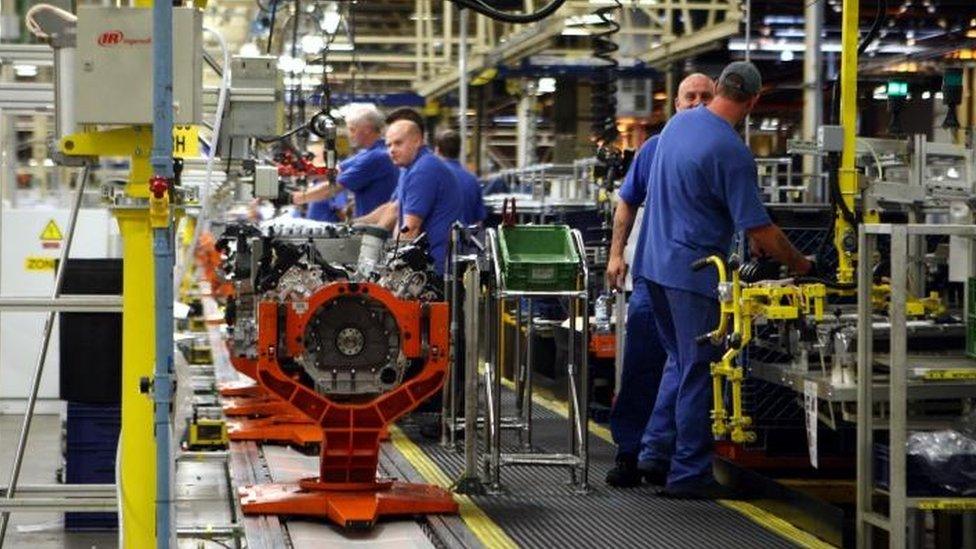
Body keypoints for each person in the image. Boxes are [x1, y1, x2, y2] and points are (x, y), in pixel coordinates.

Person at [635, 62, 812, 499]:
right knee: (699, 370)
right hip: (692, 274)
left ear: (716, 89)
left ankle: (654, 453)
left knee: (678, 362)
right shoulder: (732, 151)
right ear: (753, 101)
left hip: (652, 267)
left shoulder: (677, 125)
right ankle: (688, 474)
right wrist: (799, 263)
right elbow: (761, 231)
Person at [604, 73, 715, 488]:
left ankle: (663, 456)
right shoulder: (653, 149)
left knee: (685, 369)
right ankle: (631, 452)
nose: (698, 103)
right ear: (676, 103)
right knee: (643, 362)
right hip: (651, 275)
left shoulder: (721, 148)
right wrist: (617, 255)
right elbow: (626, 202)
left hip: (699, 279)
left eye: (706, 96)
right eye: (690, 97)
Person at [354, 119, 462, 276]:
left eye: (398, 143)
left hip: (433, 270)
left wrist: (390, 269)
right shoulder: (408, 168)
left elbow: (410, 228)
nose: (391, 150)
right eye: (388, 145)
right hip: (425, 265)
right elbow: (394, 207)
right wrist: (356, 224)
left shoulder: (424, 170)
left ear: (417, 141)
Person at [292, 103, 398, 219]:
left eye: (352, 129)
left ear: (367, 129)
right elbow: (335, 170)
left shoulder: (376, 157)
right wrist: (302, 172)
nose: (349, 135)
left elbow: (332, 188)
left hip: (377, 229)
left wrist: (297, 197)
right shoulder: (367, 153)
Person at [434, 130, 487, 226]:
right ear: (460, 150)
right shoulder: (472, 180)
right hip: (467, 238)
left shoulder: (433, 177)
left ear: (437, 150)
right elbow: (479, 222)